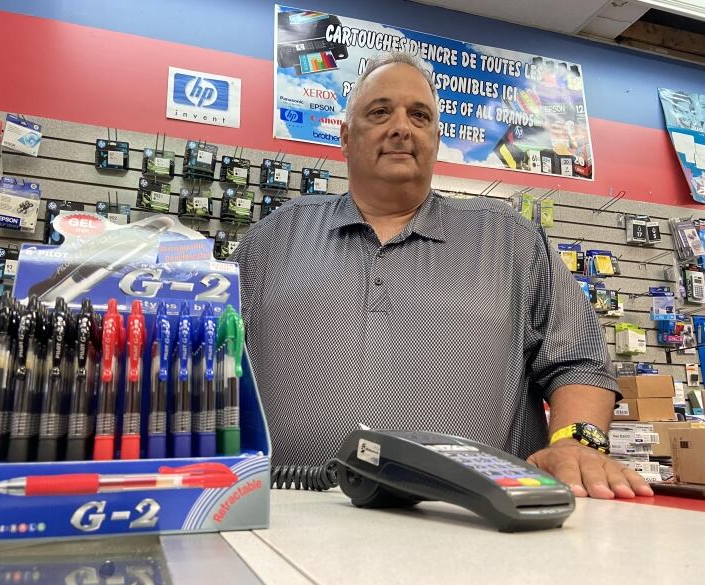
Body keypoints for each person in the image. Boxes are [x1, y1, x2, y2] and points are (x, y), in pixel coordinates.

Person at [231, 52, 652, 499]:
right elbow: (207, 362)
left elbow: (580, 362)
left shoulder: (512, 240)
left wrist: (575, 443)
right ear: (346, 138)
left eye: (419, 115)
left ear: (434, 136)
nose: (400, 127)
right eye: (379, 112)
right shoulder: (270, 241)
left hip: (476, 520)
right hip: (291, 514)